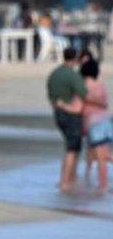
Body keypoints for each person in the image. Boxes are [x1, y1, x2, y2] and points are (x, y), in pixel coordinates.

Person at [47, 47, 88, 192]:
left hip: (58, 113)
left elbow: (50, 94)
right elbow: (84, 93)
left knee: (71, 146)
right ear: (75, 59)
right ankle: (65, 180)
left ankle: (70, 177)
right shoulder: (73, 75)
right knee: (72, 148)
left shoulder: (54, 74)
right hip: (71, 114)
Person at [80, 59, 111, 192]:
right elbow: (105, 102)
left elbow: (81, 105)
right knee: (105, 155)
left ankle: (102, 186)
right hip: (106, 121)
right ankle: (102, 184)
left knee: (101, 158)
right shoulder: (100, 85)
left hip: (94, 122)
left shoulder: (83, 86)